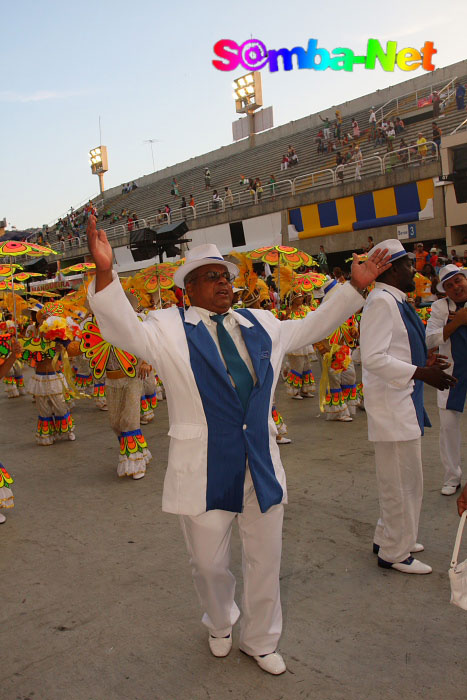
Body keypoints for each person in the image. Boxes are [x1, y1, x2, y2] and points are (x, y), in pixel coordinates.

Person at [86, 214, 388, 675]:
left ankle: (261, 639)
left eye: (225, 276)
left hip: (262, 463)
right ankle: (221, 620)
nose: (222, 284)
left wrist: (354, 287)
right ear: (189, 289)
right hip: (204, 467)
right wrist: (106, 273)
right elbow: (120, 328)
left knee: (266, 559)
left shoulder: (262, 322)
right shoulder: (166, 329)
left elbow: (312, 326)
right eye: (210, 277)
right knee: (208, 564)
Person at [360, 239, 456, 575]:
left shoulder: (393, 300)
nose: (415, 271)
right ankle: (395, 553)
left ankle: (390, 535)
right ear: (390, 269)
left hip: (402, 399)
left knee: (401, 479)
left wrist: (423, 361)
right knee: (402, 482)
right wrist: (421, 372)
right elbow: (372, 357)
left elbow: (396, 348)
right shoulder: (382, 303)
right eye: (407, 265)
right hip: (392, 404)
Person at [426, 265, 467, 495]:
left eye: (458, 281)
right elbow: (430, 339)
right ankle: (452, 477)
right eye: (449, 286)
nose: (455, 287)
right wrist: (457, 321)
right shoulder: (439, 307)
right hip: (452, 373)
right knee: (449, 427)